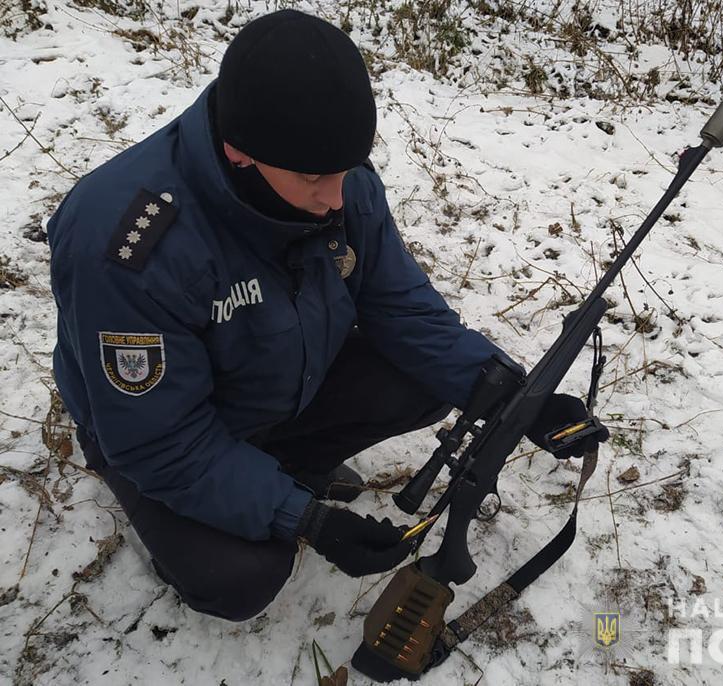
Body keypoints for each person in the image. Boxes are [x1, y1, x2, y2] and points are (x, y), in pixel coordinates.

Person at [47, 9, 606, 622]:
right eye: (315, 177)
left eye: (347, 169)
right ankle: (179, 517)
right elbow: (159, 440)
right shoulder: (128, 247)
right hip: (154, 432)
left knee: (425, 380)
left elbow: (404, 310)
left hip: (278, 378)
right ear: (240, 153)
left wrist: (518, 400)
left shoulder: (333, 175)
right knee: (241, 580)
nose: (338, 198)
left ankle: (284, 466)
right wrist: (306, 518)